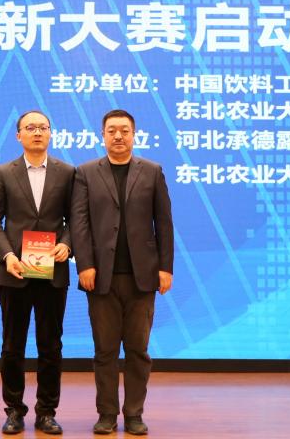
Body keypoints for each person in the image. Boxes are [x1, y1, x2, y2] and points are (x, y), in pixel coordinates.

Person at [71, 109, 174, 436]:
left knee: (138, 351)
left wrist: (165, 268)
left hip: (143, 277)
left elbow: (164, 224)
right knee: (105, 351)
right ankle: (106, 414)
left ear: (134, 135)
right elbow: (79, 223)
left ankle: (133, 414)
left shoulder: (152, 171)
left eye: (124, 131)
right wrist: (84, 264)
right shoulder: (86, 172)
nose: (118, 136)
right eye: (112, 130)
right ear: (102, 135)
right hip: (100, 277)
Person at [0, 110, 75, 435]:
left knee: (50, 346)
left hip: (52, 272)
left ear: (50, 134)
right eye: (30, 127)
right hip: (16, 272)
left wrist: (67, 245)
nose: (37, 132)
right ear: (18, 135)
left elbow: (76, 219)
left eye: (43, 127)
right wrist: (7, 255)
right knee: (13, 346)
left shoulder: (67, 172)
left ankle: (46, 412)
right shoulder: (4, 173)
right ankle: (14, 410)